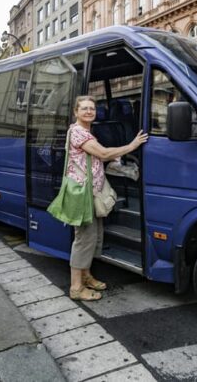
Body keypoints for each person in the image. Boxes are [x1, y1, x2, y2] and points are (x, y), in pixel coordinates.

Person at [66, 95, 148, 301]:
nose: (89, 112)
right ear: (76, 112)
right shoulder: (77, 132)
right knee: (84, 240)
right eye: (84, 108)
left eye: (92, 109)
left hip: (93, 191)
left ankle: (86, 276)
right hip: (83, 194)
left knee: (94, 237)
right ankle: (76, 287)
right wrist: (132, 146)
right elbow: (102, 154)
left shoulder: (86, 131)